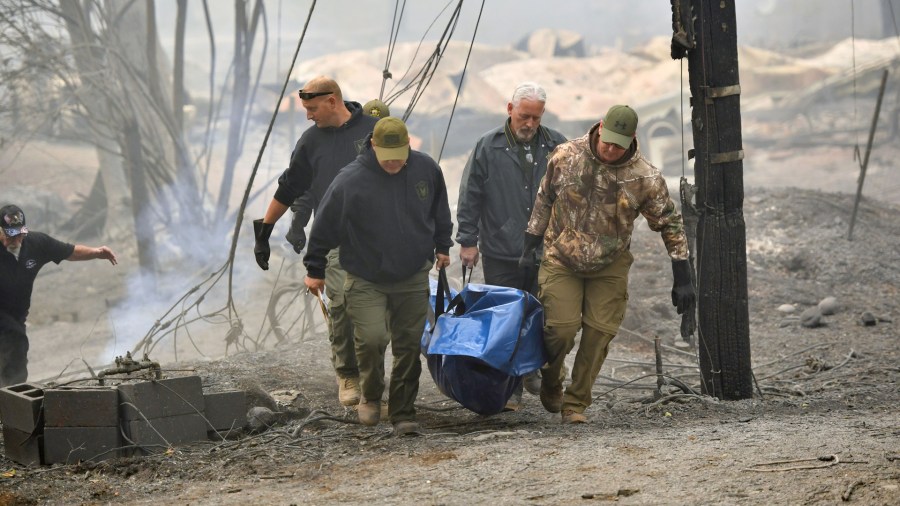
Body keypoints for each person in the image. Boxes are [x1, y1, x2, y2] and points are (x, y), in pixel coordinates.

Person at [522, 105, 695, 424]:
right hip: (562, 256)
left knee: (599, 332)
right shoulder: (566, 155)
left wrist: (682, 273)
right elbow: (545, 196)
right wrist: (531, 239)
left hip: (610, 262)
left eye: (619, 144)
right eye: (607, 141)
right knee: (560, 329)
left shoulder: (644, 176)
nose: (611, 149)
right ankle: (551, 378)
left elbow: (669, 222)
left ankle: (575, 404)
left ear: (631, 139)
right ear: (600, 128)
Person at [303, 117, 453, 435]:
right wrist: (315, 269)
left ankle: (403, 412)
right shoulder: (351, 180)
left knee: (408, 346)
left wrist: (443, 245)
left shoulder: (426, 169)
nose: (394, 164)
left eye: (400, 155)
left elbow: (440, 208)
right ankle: (371, 396)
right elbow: (324, 225)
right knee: (371, 339)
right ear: (374, 146)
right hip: (366, 276)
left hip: (412, 273)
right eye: (388, 157)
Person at [253, 76, 379, 408]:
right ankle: (348, 372)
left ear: (333, 101)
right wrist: (266, 230)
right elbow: (290, 186)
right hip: (335, 238)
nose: (308, 115)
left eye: (312, 109)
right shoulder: (310, 142)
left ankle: (375, 373)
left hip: (379, 236)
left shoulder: (374, 129)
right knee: (340, 305)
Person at [455, 81, 567, 410]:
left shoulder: (556, 145)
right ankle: (511, 387)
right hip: (502, 249)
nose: (529, 124)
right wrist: (467, 241)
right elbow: (470, 194)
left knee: (545, 316)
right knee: (507, 318)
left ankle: (536, 371)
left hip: (547, 250)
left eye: (535, 117)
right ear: (510, 110)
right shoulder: (487, 147)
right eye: (524, 116)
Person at [0, 204, 118, 386]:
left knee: (17, 356)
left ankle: (12, 401)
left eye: (19, 234)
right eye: (9, 235)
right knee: (13, 343)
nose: (15, 239)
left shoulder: (36, 243)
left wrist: (96, 252)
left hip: (17, 316)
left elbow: (69, 252)